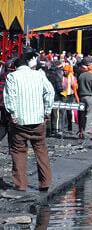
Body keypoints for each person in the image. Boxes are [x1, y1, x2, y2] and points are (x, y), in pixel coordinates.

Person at [4, 54, 55, 191]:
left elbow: (10, 97)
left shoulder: (12, 77)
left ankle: (21, 184)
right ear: (27, 65)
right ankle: (45, 183)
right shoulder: (39, 75)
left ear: (15, 67)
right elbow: (50, 92)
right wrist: (47, 111)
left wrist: (13, 113)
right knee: (41, 150)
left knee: (19, 152)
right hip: (38, 119)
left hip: (20, 121)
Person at [77, 63, 92, 139]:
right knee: (89, 114)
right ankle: (87, 131)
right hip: (89, 96)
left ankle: (81, 130)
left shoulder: (81, 75)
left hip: (81, 96)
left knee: (81, 114)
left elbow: (77, 86)